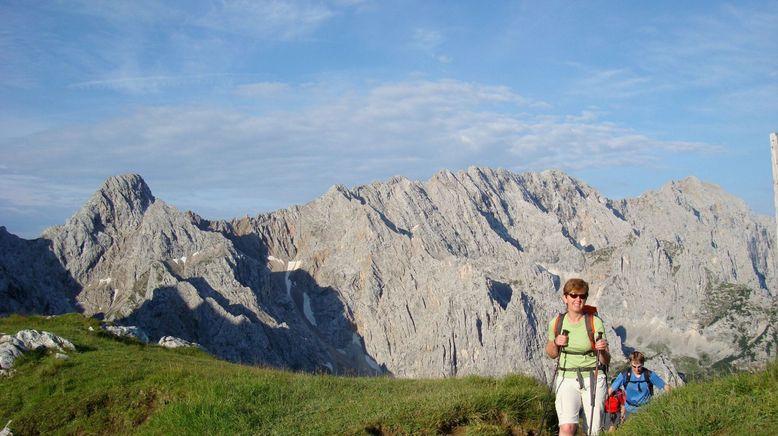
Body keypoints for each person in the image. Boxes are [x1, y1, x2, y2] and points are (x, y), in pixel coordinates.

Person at [545, 278, 610, 436]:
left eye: (582, 296)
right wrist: (555, 342)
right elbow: (552, 354)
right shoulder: (556, 323)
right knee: (566, 427)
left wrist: (601, 350)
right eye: (573, 295)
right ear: (565, 298)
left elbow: (606, 360)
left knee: (593, 430)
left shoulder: (595, 322)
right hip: (566, 377)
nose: (578, 299)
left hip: (593, 377)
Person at [609, 351, 667, 420]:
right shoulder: (624, 375)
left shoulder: (649, 375)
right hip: (629, 410)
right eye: (634, 366)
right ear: (630, 363)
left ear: (643, 364)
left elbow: (666, 387)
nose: (637, 369)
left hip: (646, 409)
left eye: (639, 366)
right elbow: (611, 390)